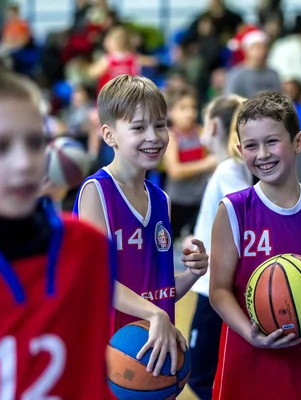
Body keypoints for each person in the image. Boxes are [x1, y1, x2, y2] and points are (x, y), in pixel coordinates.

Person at [209, 91, 301, 399]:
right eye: (251, 145)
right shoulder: (234, 210)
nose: (262, 154)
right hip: (247, 361)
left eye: (272, 141)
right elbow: (218, 290)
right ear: (239, 149)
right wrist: (252, 335)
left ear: (298, 141)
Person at [74, 74, 209, 377]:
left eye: (160, 125)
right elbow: (97, 280)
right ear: (109, 135)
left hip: (155, 353)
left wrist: (192, 274)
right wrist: (154, 313)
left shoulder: (161, 200)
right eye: (138, 127)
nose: (154, 136)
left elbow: (158, 291)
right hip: (109, 353)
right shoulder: (97, 191)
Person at [0, 67, 113, 398]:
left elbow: (89, 378)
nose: (24, 163)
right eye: (0, 147)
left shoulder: (88, 247)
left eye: (34, 143)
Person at [186, 94, 252, 399]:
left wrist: (220, 253)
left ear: (211, 125)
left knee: (200, 376)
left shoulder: (228, 169)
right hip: (217, 284)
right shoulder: (232, 167)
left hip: (213, 286)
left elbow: (250, 214)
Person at [162, 85, 216, 240]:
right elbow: (175, 171)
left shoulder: (200, 132)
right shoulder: (171, 137)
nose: (189, 113)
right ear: (171, 112)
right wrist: (207, 163)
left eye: (192, 108)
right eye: (183, 108)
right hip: (177, 202)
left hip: (200, 200)